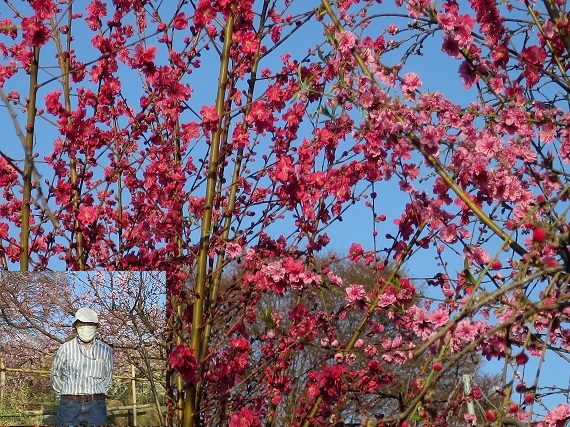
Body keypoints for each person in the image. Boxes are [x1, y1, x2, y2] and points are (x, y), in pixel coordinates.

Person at [50, 307, 114, 426]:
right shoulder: (65, 348)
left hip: (96, 405)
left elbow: (108, 377)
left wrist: (98, 394)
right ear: (76, 327)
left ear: (96, 327)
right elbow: (55, 375)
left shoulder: (105, 350)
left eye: (89, 325)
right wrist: (66, 392)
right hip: (69, 405)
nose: (85, 328)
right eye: (81, 325)